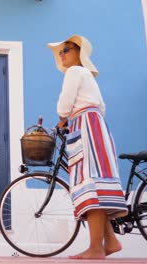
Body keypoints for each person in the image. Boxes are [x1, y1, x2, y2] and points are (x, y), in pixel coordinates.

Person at [47, 35, 128, 260]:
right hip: (96, 125)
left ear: (78, 54)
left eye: (67, 50)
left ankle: (95, 248)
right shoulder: (87, 76)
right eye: (61, 51)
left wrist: (63, 117)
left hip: (86, 127)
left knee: (89, 182)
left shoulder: (74, 72)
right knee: (97, 183)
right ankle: (110, 241)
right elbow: (100, 107)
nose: (62, 54)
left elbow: (65, 102)